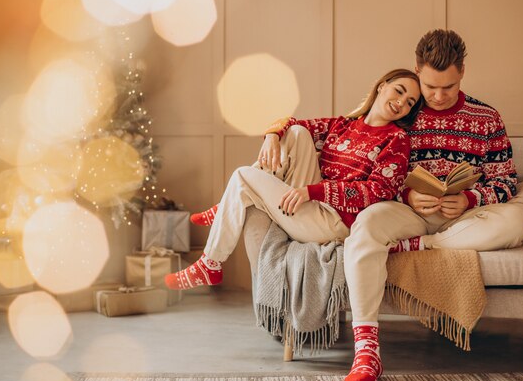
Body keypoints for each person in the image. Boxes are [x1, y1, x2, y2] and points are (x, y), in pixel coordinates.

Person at [342, 29, 523, 381]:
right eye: (430, 87)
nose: (439, 96)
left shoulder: (486, 118)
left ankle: (424, 246)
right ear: (417, 70)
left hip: (465, 219)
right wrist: (407, 195)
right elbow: (364, 162)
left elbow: (507, 182)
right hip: (408, 214)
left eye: (449, 86)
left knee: (518, 220)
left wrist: (471, 199)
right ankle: (366, 349)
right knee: (365, 225)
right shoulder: (401, 111)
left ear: (463, 71)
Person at [164, 69, 423, 290]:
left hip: (336, 222)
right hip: (312, 207)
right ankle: (233, 202)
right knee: (297, 133)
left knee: (243, 175)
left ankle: (211, 262)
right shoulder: (345, 124)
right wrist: (272, 136)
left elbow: (378, 191)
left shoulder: (396, 139)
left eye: (410, 102)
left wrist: (313, 192)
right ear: (382, 86)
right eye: (399, 91)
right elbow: (294, 124)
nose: (402, 102)